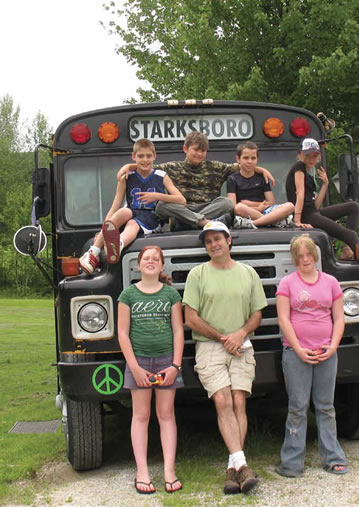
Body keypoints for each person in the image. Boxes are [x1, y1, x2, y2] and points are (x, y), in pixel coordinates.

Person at [183, 221, 267, 495]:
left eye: (217, 239)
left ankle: (233, 470)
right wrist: (223, 338)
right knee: (223, 401)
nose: (213, 244)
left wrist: (240, 333)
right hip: (210, 346)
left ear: (228, 241)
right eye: (208, 241)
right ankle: (243, 464)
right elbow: (190, 318)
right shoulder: (198, 274)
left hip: (242, 344)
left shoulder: (248, 273)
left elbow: (257, 314)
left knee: (239, 401)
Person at [285, 138, 359, 289]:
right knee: (350, 235)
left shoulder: (309, 174)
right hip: (305, 215)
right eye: (308, 155)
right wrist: (297, 220)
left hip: (313, 212)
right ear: (300, 154)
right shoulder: (299, 167)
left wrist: (325, 185)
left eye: (315, 155)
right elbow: (300, 195)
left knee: (353, 206)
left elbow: (315, 205)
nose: (311, 159)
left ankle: (348, 250)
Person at [275, 234, 348, 478]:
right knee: (297, 406)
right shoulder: (287, 283)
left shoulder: (331, 282)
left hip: (326, 351)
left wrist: (333, 346)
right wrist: (298, 349)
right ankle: (292, 462)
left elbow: (339, 317)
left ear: (315, 256)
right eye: (300, 255)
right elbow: (284, 319)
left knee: (326, 406)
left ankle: (334, 457)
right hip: (296, 353)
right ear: (294, 258)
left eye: (309, 254)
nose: (305, 259)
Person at [117, 245, 184, 494]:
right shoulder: (128, 295)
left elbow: (178, 331)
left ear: (162, 265)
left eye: (156, 259)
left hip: (166, 361)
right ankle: (142, 471)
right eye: (146, 258)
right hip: (139, 363)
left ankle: (169, 470)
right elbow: (122, 334)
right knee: (141, 416)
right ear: (138, 264)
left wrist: (175, 365)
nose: (151, 261)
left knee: (166, 415)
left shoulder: (170, 295)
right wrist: (134, 368)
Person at [117, 132, 275, 229]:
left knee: (227, 203)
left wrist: (261, 169)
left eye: (203, 151)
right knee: (161, 206)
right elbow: (146, 166)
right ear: (185, 149)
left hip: (207, 208)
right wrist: (129, 166)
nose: (199, 154)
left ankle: (188, 223)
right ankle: (201, 222)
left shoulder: (216, 167)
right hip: (181, 208)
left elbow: (243, 165)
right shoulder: (171, 167)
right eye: (196, 150)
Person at [80, 139, 185, 275]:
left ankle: (119, 244)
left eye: (148, 156)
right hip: (132, 211)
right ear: (133, 156)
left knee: (132, 223)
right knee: (123, 212)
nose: (145, 160)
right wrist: (103, 231)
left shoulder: (161, 176)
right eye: (140, 156)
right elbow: (115, 205)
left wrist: (157, 196)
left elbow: (181, 200)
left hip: (151, 217)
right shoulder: (126, 177)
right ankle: (93, 252)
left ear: (154, 156)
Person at [227, 141, 295, 229]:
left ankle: (254, 223)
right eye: (246, 158)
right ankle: (273, 221)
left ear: (257, 159)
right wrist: (258, 208)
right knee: (239, 208)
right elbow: (233, 206)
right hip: (247, 213)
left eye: (253, 158)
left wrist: (248, 203)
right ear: (238, 159)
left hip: (266, 210)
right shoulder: (232, 179)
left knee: (290, 206)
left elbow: (271, 202)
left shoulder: (262, 177)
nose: (250, 161)